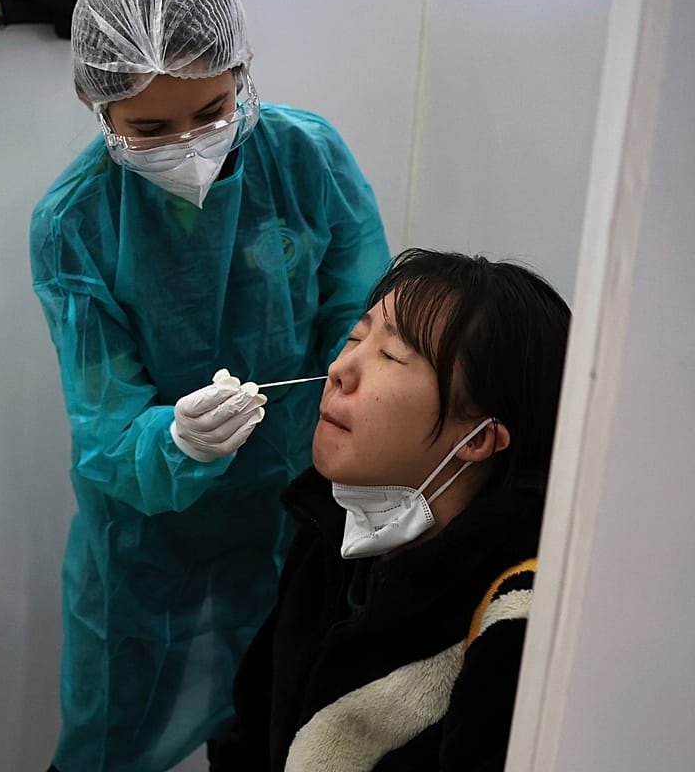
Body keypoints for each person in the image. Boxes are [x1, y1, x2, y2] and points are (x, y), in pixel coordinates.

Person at [30, 0, 391, 772]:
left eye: (214, 111)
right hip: (145, 548)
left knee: (273, 729)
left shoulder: (308, 160)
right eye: (149, 129)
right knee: (110, 740)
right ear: (96, 104)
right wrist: (174, 443)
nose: (190, 145)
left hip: (296, 513)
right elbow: (106, 421)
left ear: (243, 71)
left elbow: (361, 326)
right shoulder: (74, 225)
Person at [209, 249, 572, 771]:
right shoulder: (332, 527)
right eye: (355, 339)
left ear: (478, 438)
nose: (339, 369)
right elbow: (252, 726)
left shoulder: (517, 622)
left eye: (392, 356)